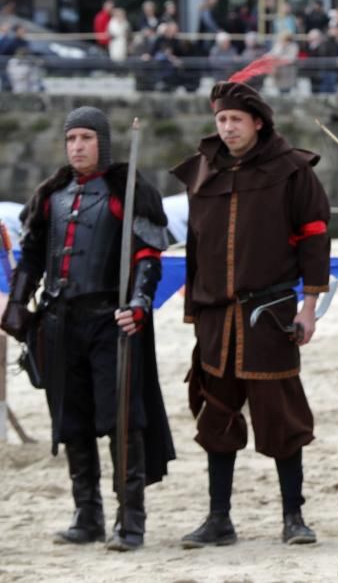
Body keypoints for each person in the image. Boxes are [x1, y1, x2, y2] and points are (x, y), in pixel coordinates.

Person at [0, 106, 175, 551]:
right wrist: (19, 303)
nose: (77, 146)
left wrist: (138, 303)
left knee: (122, 420)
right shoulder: (52, 195)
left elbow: (146, 256)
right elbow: (34, 256)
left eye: (85, 138)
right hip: (59, 323)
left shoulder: (127, 190)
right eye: (71, 139)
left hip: (110, 324)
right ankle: (87, 514)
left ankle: (130, 522)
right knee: (71, 419)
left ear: (102, 141)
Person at [171, 66, 331, 547]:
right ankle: (219, 520)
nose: (228, 128)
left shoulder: (292, 169)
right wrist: (195, 313)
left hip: (271, 313)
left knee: (282, 416)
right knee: (216, 416)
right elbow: (196, 246)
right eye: (222, 120)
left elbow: (314, 238)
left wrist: (309, 307)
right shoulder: (202, 173)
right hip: (216, 317)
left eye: (237, 120)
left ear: (257, 121)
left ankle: (293, 518)